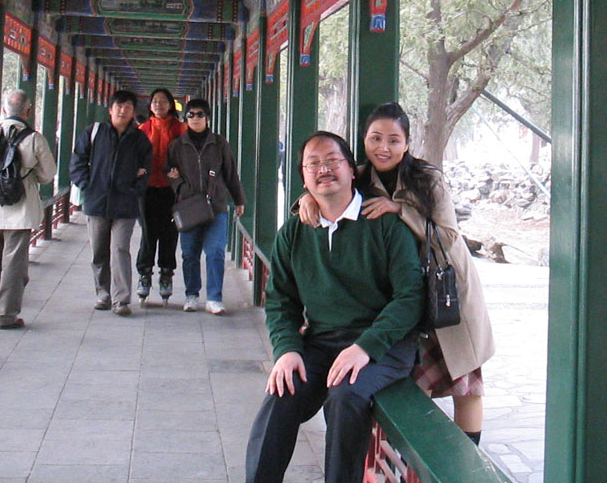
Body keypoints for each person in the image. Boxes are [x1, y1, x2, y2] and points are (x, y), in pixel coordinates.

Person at [297, 103, 495, 444]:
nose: (383, 148)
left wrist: (400, 210)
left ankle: (470, 462)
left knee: (464, 386)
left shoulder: (427, 178)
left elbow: (448, 235)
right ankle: (417, 462)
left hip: (444, 293)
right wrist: (305, 199)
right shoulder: (358, 177)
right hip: (401, 296)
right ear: (364, 140)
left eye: (393, 140)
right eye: (375, 138)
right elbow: (326, 187)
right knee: (416, 384)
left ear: (406, 143)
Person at [246, 131, 424, 483]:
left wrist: (366, 347)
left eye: (332, 160)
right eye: (313, 164)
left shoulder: (386, 225)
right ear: (303, 177)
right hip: (323, 340)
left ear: (351, 170)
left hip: (383, 345)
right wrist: (286, 350)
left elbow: (410, 298)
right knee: (281, 391)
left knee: (344, 397)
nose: (323, 169)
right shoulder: (294, 231)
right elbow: (280, 300)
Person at [0, 89, 57, 329]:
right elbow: (48, 174)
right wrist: (28, 174)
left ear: (4, 109)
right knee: (14, 265)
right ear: (28, 111)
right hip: (20, 210)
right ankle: (7, 314)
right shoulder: (35, 139)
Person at [70, 89, 152, 317]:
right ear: (110, 109)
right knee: (99, 251)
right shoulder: (94, 133)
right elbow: (77, 162)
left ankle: (121, 299)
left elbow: (146, 169)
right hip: (97, 202)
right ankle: (103, 293)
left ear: (133, 112)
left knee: (120, 250)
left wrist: (135, 189)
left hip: (125, 204)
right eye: (119, 106)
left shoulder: (139, 139)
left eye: (128, 107)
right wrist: (87, 185)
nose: (123, 110)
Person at [167, 98, 246, 315]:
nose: (195, 118)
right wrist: (180, 186)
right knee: (189, 253)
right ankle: (191, 295)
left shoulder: (219, 144)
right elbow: (170, 172)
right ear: (185, 119)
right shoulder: (177, 146)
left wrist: (239, 200)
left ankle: (214, 298)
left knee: (215, 251)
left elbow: (230, 173)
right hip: (188, 206)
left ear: (207, 118)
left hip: (216, 206)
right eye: (190, 115)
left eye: (200, 114)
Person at [136, 88, 187, 303]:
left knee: (169, 232)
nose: (159, 104)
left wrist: (180, 173)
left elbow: (187, 156)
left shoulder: (180, 129)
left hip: (171, 189)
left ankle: (166, 273)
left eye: (163, 101)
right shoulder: (142, 129)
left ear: (170, 105)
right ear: (150, 105)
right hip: (147, 188)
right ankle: (144, 273)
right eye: (155, 101)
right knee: (148, 232)